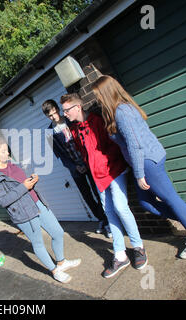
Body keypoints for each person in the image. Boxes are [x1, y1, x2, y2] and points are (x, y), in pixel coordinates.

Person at [91, 75, 186, 259]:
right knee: (146, 203)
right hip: (145, 161)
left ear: (106, 94)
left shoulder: (122, 112)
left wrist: (138, 174)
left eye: (98, 96)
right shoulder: (120, 110)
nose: (97, 100)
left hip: (147, 162)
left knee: (170, 198)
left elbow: (135, 145)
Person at [60, 93, 147, 278]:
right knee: (109, 212)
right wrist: (88, 165)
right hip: (97, 175)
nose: (64, 114)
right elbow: (84, 151)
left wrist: (105, 163)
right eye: (63, 111)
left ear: (77, 107)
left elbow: (112, 145)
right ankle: (120, 254)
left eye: (67, 110)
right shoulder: (74, 129)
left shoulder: (96, 121)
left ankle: (138, 246)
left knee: (121, 208)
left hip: (113, 170)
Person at [0, 136, 81, 283]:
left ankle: (61, 262)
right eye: (3, 151)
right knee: (38, 243)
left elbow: (21, 183)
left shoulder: (11, 164)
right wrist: (24, 186)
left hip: (37, 203)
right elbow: (3, 201)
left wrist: (31, 180)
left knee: (58, 232)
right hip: (24, 213)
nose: (8, 154)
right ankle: (55, 271)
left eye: (7, 150)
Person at [42, 99, 112, 238]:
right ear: (47, 116)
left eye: (55, 113)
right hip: (74, 168)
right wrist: (74, 167)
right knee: (87, 195)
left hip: (88, 162)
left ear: (58, 109)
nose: (54, 117)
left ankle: (108, 221)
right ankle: (101, 219)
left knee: (98, 192)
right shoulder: (49, 133)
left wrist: (86, 161)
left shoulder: (71, 121)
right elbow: (60, 155)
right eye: (50, 116)